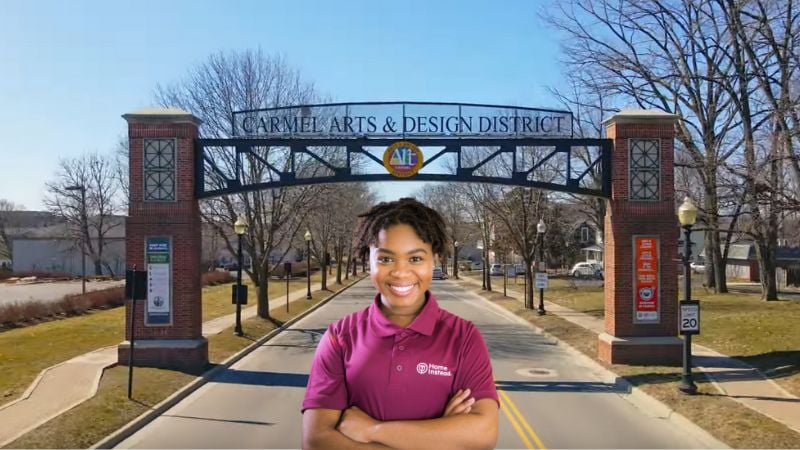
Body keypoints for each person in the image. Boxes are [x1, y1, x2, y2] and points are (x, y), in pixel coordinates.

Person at [302, 198, 499, 450]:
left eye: (415, 259)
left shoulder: (464, 338)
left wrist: (372, 430)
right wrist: (441, 438)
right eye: (385, 259)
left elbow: (483, 434)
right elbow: (316, 442)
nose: (401, 272)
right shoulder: (339, 337)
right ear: (367, 260)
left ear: (434, 259)